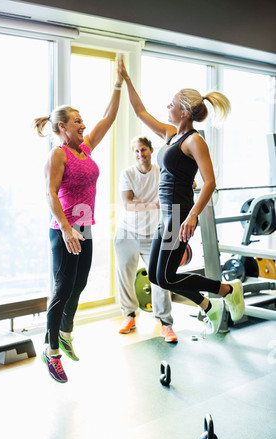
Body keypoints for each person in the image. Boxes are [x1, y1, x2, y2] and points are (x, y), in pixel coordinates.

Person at [118, 57, 245, 336]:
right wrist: (125, 79)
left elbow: (210, 182)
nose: (167, 107)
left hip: (179, 214)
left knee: (165, 276)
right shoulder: (171, 135)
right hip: (166, 216)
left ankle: (224, 292)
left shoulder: (194, 141)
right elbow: (140, 111)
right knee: (156, 276)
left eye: (172, 104)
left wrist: (191, 216)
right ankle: (212, 300)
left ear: (185, 112)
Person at [33, 63, 123, 383]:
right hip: (64, 230)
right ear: (62, 127)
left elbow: (107, 119)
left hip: (84, 226)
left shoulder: (83, 149)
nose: (83, 124)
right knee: (61, 288)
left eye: (82, 119)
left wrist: (117, 85)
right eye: (77, 121)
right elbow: (49, 193)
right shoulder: (58, 155)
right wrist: (67, 229)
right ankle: (51, 351)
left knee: (79, 283)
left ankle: (65, 332)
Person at [114, 136, 177, 343]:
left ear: (151, 150)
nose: (140, 154)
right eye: (136, 151)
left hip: (153, 234)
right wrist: (154, 204)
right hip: (127, 233)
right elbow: (127, 204)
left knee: (160, 278)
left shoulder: (161, 172)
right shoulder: (128, 174)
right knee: (125, 276)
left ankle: (166, 324)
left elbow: (176, 188)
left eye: (143, 150)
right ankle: (129, 316)